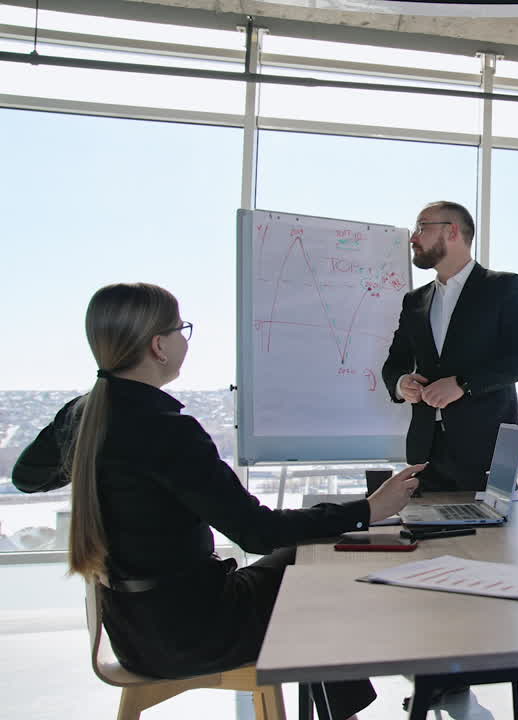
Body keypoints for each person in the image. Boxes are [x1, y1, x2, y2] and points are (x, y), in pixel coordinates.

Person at [13, 283, 423, 720]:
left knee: (303, 563)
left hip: (134, 630)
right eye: (180, 330)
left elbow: (26, 477)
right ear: (158, 346)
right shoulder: (166, 430)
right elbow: (257, 532)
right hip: (188, 634)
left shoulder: (83, 415)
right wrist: (370, 510)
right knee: (316, 575)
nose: (183, 340)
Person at [382, 200, 518, 492]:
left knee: (491, 538)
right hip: (425, 455)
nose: (413, 238)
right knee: (424, 536)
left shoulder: (504, 287)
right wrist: (401, 383)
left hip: (486, 454)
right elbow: (394, 364)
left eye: (421, 227)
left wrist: (462, 383)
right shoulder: (414, 301)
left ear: (452, 232)